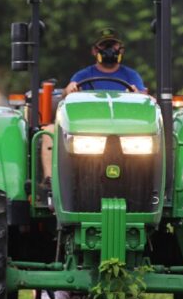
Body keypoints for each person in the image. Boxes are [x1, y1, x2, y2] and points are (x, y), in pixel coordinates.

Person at [40, 29, 146, 194]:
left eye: (113, 45)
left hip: (124, 129)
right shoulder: (84, 74)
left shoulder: (131, 76)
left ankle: (144, 184)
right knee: (48, 131)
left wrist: (138, 94)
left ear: (121, 50)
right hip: (88, 129)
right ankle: (50, 182)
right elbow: (66, 96)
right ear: (95, 50)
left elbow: (146, 100)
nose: (109, 50)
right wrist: (68, 91)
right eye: (104, 45)